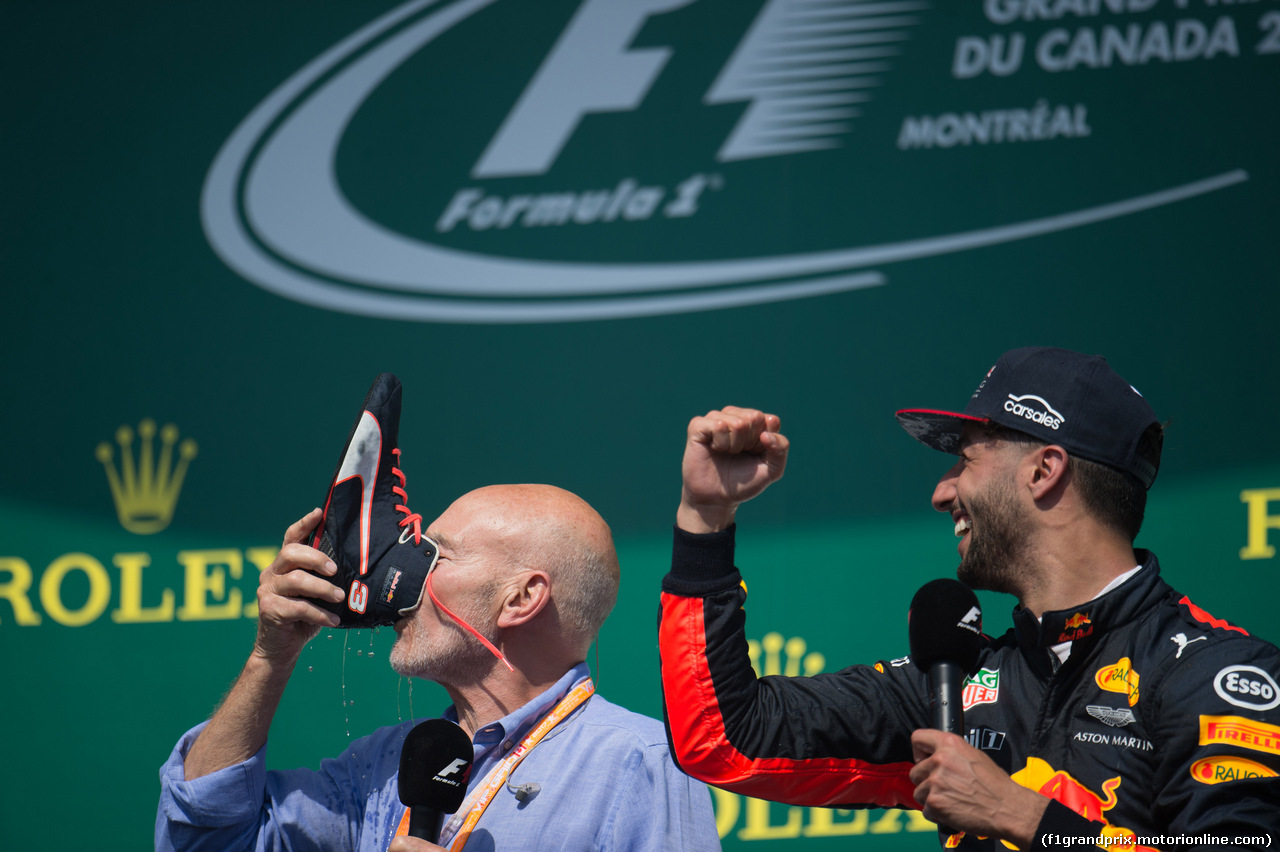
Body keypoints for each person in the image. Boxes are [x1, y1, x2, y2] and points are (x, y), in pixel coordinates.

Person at [657, 347, 1280, 849]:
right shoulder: (956, 679)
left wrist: (1031, 821)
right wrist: (706, 521)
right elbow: (725, 737)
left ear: (1045, 470)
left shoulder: (1217, 672)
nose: (942, 492)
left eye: (964, 460)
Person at [157, 483, 720, 852]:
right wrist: (269, 656)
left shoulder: (638, 762)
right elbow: (203, 840)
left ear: (520, 598)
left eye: (434, 555)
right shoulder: (389, 764)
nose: (401, 575)